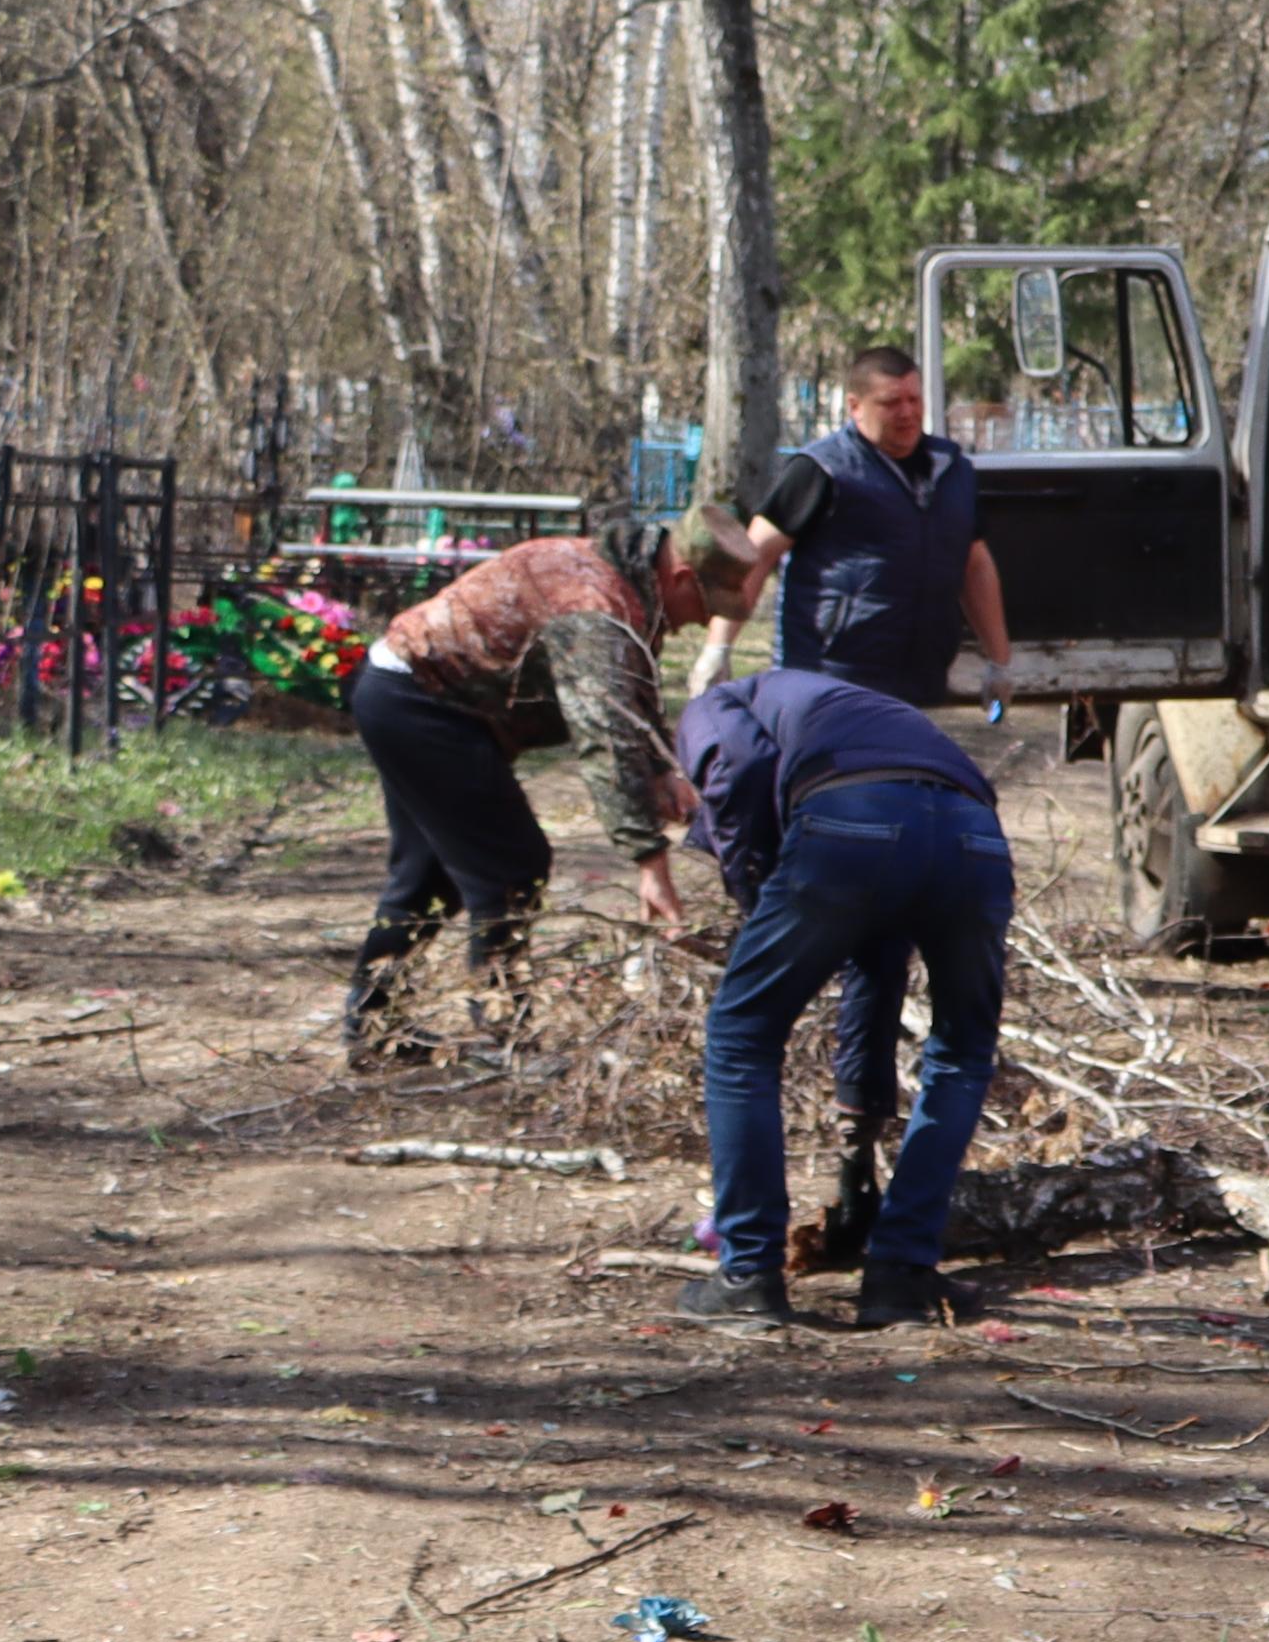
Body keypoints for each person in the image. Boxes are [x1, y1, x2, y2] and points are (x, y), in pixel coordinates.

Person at [734, 343, 1015, 1269]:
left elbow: (975, 558)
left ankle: (863, 1149)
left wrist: (1001, 661)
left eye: (915, 398)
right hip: (830, 708)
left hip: (914, 704)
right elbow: (758, 553)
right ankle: (849, 1149)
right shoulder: (821, 470)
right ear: (853, 404)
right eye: (891, 401)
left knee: (889, 941)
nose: (908, 414)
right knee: (858, 929)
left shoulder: (948, 469)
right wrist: (715, 650)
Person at [673, 659, 1012, 1330]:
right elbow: (875, 971)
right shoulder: (854, 713)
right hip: (975, 835)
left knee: (742, 1034)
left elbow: (734, 774)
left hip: (852, 822)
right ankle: (900, 1276)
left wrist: (756, 905)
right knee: (962, 1051)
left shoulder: (714, 701)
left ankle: (748, 1275)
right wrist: (857, 1154)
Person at [341, 518, 754, 1061]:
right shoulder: (593, 606)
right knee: (510, 865)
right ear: (678, 577)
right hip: (419, 703)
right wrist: (649, 858)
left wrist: (660, 770)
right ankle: (501, 1031)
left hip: (420, 697)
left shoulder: (624, 583)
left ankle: (375, 1027)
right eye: (704, 607)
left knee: (428, 876)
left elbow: (629, 682)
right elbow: (603, 731)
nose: (699, 624)